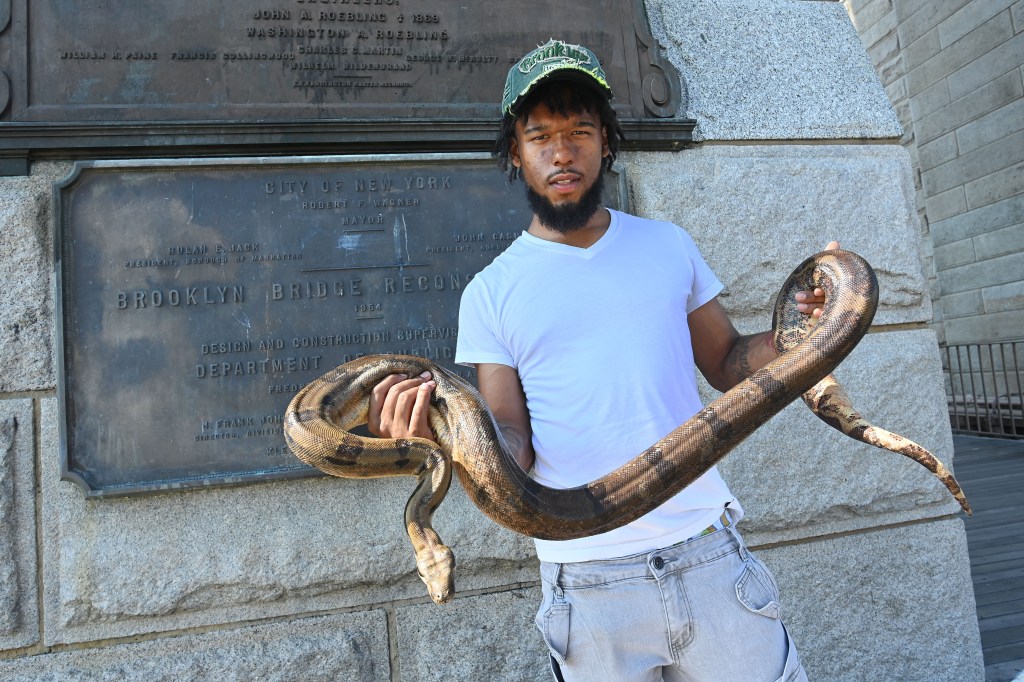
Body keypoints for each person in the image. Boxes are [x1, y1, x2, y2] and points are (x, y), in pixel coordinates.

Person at [369, 39, 828, 682]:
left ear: (606, 141)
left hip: (707, 555)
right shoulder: (491, 292)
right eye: (540, 136)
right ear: (515, 155)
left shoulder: (667, 246)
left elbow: (726, 361)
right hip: (587, 581)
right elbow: (514, 439)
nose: (563, 152)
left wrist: (799, 329)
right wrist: (445, 435)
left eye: (581, 130)